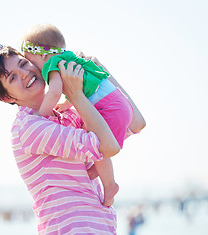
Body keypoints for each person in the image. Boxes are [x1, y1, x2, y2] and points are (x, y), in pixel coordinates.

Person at [0, 44, 145, 235]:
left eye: (23, 64)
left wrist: (100, 73)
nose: (24, 73)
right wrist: (75, 94)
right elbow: (107, 147)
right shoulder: (29, 127)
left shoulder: (65, 115)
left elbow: (136, 122)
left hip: (101, 230)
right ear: (7, 97)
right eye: (12, 77)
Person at [20, 23, 136, 206]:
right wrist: (67, 104)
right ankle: (94, 174)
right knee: (92, 141)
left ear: (42, 55)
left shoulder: (52, 64)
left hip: (109, 109)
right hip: (119, 102)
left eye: (30, 61)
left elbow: (55, 92)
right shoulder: (70, 59)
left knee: (98, 144)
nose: (32, 68)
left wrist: (41, 113)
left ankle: (109, 184)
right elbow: (81, 90)